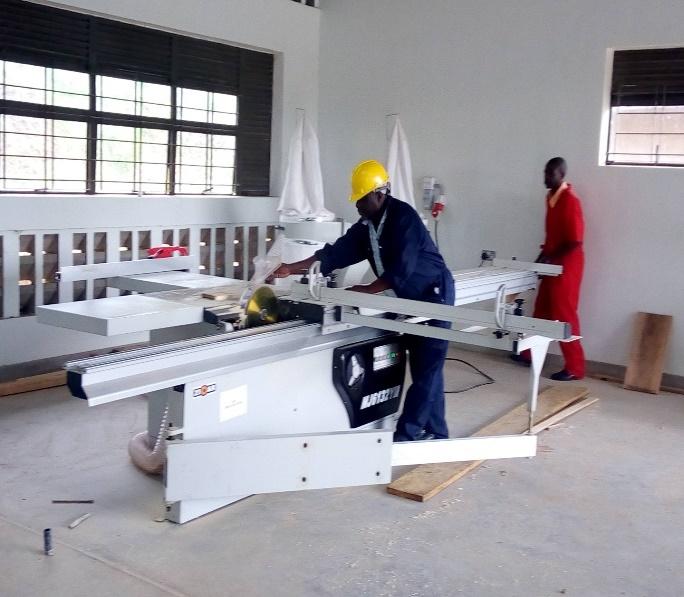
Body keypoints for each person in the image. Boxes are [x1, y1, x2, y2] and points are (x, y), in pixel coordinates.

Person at [272, 160, 455, 441]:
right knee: (426, 369)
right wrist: (290, 268)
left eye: (361, 198)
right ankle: (438, 433)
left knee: (427, 371)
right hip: (405, 299)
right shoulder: (367, 226)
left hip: (433, 295)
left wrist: (368, 290)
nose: (357, 205)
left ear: (379, 194)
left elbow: (402, 268)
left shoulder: (403, 218)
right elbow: (335, 254)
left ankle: (404, 438)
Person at [516, 157, 585, 380]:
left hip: (568, 265)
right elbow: (551, 238)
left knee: (564, 314)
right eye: (544, 172)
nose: (545, 177)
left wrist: (550, 259)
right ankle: (529, 354)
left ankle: (575, 368)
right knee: (542, 308)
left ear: (561, 175)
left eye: (550, 174)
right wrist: (538, 263)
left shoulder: (570, 200)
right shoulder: (550, 198)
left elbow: (575, 241)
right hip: (551, 262)